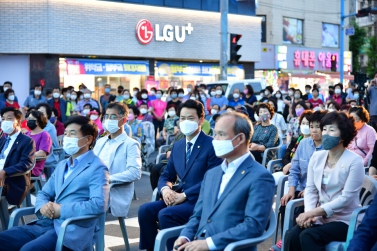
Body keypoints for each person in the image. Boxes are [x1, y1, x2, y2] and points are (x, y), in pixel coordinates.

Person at [0, 115, 110, 250]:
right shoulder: (63, 164)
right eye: (65, 133)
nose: (66, 138)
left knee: (29, 249)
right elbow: (44, 192)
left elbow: (98, 205)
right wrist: (42, 207)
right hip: (45, 223)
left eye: (72, 134)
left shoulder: (97, 167)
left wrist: (61, 210)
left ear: (88, 139)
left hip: (70, 228)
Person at [174, 112, 275, 251]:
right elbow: (198, 214)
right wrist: (185, 236)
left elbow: (253, 226)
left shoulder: (260, 177)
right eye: (215, 134)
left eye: (221, 134)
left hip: (230, 247)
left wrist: (209, 244)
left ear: (239, 138)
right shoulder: (212, 173)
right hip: (198, 244)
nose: (214, 140)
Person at [138, 100, 222, 251]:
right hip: (179, 198)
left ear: (201, 120)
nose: (185, 122)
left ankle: (176, 249)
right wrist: (165, 189)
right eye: (182, 118)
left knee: (166, 214)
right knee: (145, 210)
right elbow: (166, 174)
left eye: (191, 118)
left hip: (199, 200)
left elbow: (212, 179)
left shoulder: (212, 145)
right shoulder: (178, 145)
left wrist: (185, 195)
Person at [283, 111, 364, 251]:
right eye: (324, 129)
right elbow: (311, 189)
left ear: (342, 136)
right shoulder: (317, 157)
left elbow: (346, 198)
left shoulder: (354, 161)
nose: (325, 134)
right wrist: (309, 213)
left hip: (345, 220)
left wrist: (313, 213)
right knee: (292, 235)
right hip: (320, 217)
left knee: (309, 236)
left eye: (331, 130)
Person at [271, 110, 325, 251]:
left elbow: (326, 175)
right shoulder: (304, 143)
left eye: (317, 127)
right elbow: (294, 169)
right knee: (285, 202)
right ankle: (284, 239)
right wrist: (291, 191)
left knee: (299, 209)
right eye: (311, 126)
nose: (313, 130)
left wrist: (311, 189)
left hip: (317, 191)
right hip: (300, 187)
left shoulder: (328, 148)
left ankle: (288, 241)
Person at [94, 102, 141, 218]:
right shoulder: (100, 141)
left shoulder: (130, 144)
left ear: (124, 120)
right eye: (107, 116)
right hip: (94, 185)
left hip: (111, 190)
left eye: (113, 117)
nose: (109, 120)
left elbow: (135, 173)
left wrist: (108, 179)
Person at [0, 107, 35, 206]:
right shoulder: (3, 139)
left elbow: (26, 163)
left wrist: (5, 171)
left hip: (12, 181)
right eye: (3, 119)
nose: (5, 121)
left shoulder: (27, 141)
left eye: (9, 118)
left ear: (18, 121)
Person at [25, 110, 52, 177]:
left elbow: (42, 153)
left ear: (38, 121)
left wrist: (25, 157)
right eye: (28, 119)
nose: (28, 121)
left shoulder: (44, 135)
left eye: (31, 119)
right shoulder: (26, 134)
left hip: (33, 167)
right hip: (22, 163)